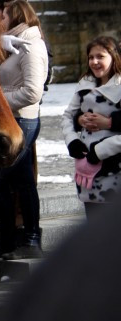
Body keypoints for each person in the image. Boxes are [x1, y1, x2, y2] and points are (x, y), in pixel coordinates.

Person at [0, 0, 47, 259]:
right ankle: (10, 240)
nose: (1, 21)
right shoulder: (15, 42)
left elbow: (33, 91)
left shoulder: (30, 45)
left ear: (17, 17)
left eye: (4, 17)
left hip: (23, 119)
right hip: (12, 119)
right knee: (9, 181)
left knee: (8, 181)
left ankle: (29, 239)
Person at [62, 35, 121, 217]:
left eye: (100, 57)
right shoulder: (84, 85)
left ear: (114, 57)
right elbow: (67, 116)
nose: (94, 62)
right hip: (88, 169)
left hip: (116, 169)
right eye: (90, 57)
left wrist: (102, 149)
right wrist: (72, 141)